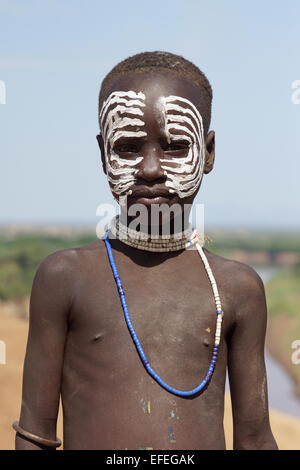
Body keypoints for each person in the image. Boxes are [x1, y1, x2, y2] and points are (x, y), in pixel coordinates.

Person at [14, 51, 278, 450]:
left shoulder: (237, 288)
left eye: (173, 146)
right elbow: (35, 436)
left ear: (207, 153)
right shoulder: (65, 277)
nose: (150, 169)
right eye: (128, 147)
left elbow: (255, 440)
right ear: (104, 153)